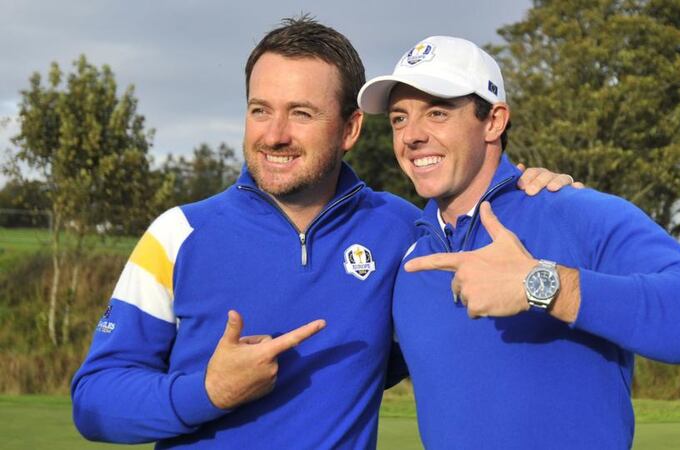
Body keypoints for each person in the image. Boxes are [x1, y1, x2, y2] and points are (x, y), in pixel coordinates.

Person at [71, 18, 574, 449]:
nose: (274, 135)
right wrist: (207, 392)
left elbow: (455, 318)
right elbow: (93, 401)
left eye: (301, 113)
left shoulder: (403, 230)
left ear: (350, 129)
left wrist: (534, 189)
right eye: (260, 109)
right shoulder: (177, 234)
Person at [358, 35, 680, 449]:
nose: (411, 135)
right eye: (399, 118)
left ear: (494, 121)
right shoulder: (409, 255)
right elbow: (354, 369)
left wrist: (543, 284)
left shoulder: (574, 211)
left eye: (437, 112)